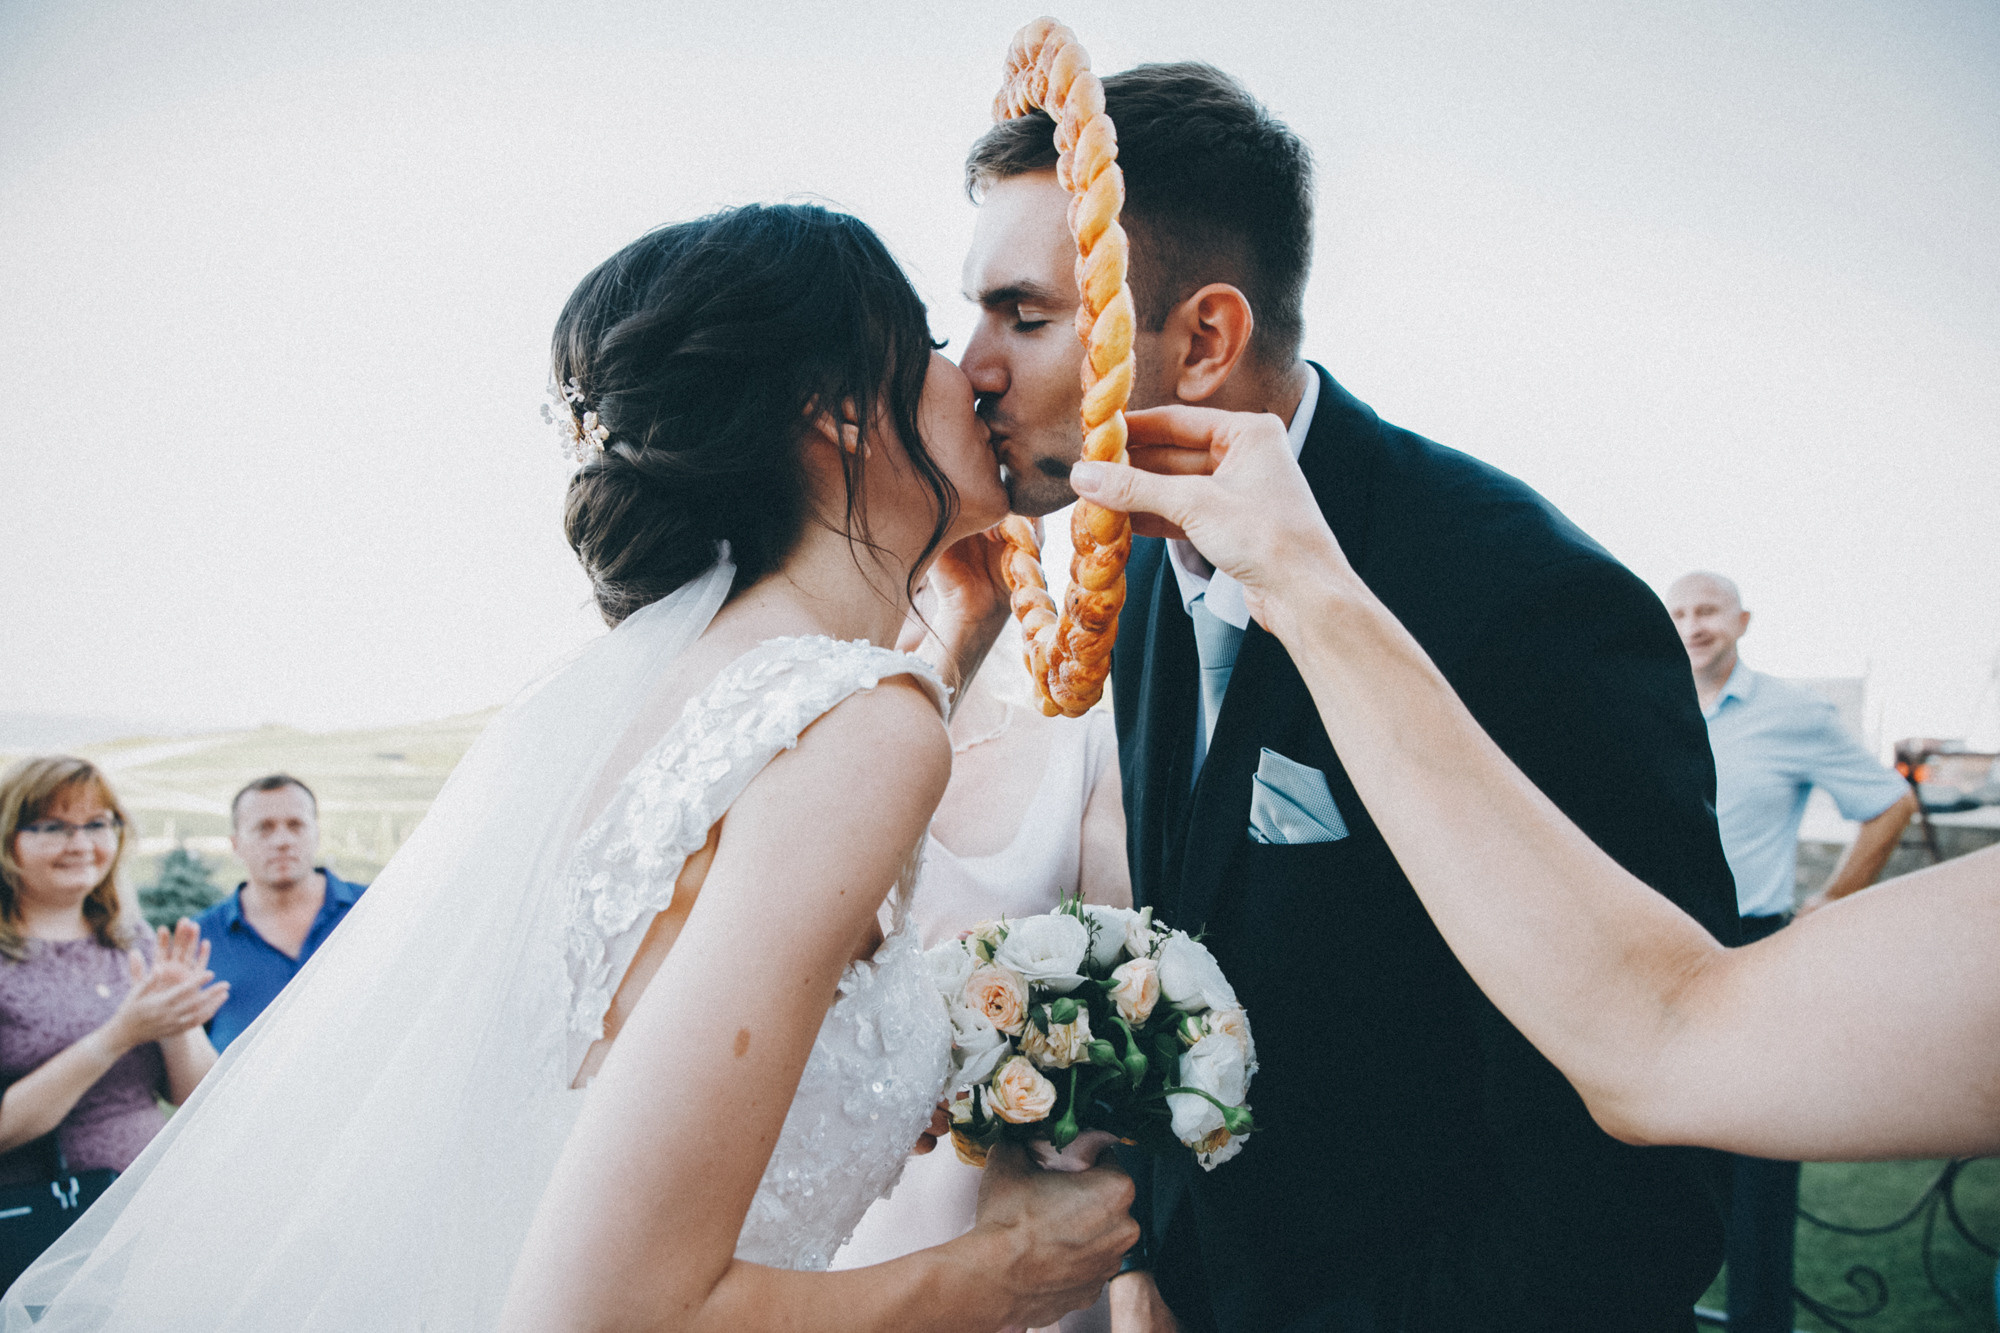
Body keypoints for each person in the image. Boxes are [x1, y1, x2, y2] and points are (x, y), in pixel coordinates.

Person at [5, 204, 1135, 1331]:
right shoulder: (862, 729)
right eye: (928, 340)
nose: (971, 371)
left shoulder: (668, 693)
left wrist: (944, 638)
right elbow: (613, 1313)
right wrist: (1001, 1269)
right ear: (837, 407)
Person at [960, 63, 1741, 1332]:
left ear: (1202, 340)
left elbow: (1627, 1201)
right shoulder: (1147, 577)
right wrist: (1158, 1261)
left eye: (1022, 314)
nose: (970, 366)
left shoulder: (1528, 606)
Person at [1064, 402, 2000, 1166]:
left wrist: (1307, 588)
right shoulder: (1146, 585)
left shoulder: (1541, 591)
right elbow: (1666, 1029)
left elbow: (1667, 1043)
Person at [835, 626, 1131, 1333]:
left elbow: (1122, 1012)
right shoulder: (809, 781)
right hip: (868, 1241)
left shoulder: (1082, 751)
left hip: (1049, 1227)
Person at [1665, 570, 1917, 1333]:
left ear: (1741, 619)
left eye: (1706, 610)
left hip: (1753, 947)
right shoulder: (1650, 694)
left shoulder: (1790, 712)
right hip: (1660, 947)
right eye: (1677, 612)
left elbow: (1888, 803)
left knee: (1760, 1173)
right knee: (1654, 1163)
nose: (1692, 624)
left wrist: (1832, 903)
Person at [0, 758, 226, 1284]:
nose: (80, 844)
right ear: (9, 838)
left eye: (97, 824)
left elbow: (197, 1097)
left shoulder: (134, 942)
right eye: (53, 826)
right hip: (38, 1240)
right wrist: (119, 1034)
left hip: (145, 1219)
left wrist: (174, 1024)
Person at [193, 775, 367, 1050]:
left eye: (296, 825)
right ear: (235, 844)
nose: (282, 840)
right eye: (264, 828)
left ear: (316, 834)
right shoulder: (199, 940)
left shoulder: (373, 911)